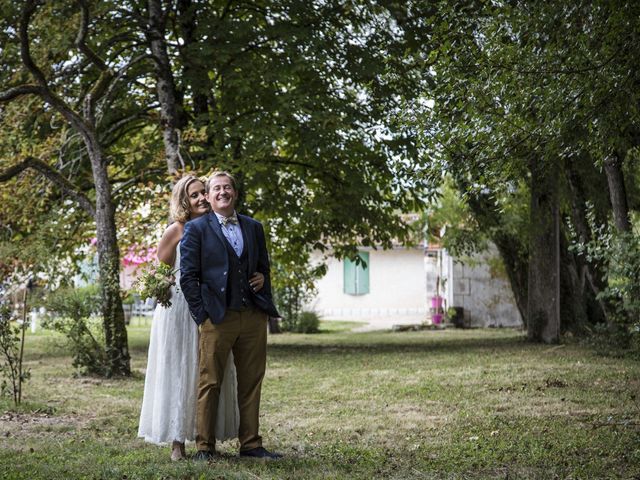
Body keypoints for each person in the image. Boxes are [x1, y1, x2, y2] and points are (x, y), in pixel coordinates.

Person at [138, 175, 263, 460]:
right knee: (180, 370)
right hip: (180, 308)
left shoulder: (212, 227)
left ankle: (207, 438)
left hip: (212, 306)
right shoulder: (177, 230)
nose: (200, 199)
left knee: (203, 372)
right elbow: (163, 268)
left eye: (200, 194)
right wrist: (164, 287)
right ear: (185, 200)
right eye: (193, 195)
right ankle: (176, 441)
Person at [180, 171, 281, 461]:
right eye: (216, 189)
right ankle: (204, 447)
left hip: (252, 316)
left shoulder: (253, 226)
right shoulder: (197, 229)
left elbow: (264, 268)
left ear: (234, 193)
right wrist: (203, 316)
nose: (222, 192)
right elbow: (188, 277)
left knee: (251, 381)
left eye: (227, 188)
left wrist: (262, 280)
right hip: (217, 318)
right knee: (209, 382)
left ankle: (251, 445)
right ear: (209, 197)